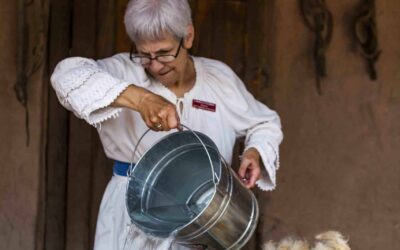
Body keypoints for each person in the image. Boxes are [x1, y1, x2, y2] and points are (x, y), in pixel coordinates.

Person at [51, 0, 283, 249]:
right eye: (143, 54)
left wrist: (255, 152)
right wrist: (140, 99)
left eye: (163, 52)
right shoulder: (122, 73)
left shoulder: (219, 79)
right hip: (136, 212)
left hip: (206, 212)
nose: (155, 65)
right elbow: (66, 76)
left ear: (189, 36)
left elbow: (265, 122)